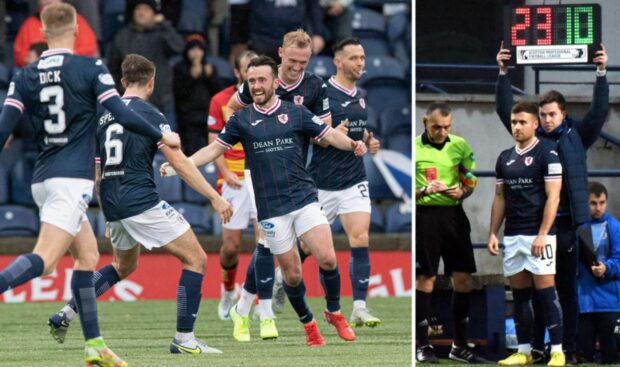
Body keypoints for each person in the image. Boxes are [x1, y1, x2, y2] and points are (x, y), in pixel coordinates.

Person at [0, 3, 179, 366]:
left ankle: (94, 344)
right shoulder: (91, 67)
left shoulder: (25, 74)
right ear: (79, 30)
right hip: (71, 180)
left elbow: (4, 129)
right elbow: (124, 114)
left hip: (42, 177)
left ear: (42, 32)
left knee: (88, 256)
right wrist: (164, 133)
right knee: (47, 261)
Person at [163, 55, 366, 346]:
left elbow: (327, 134)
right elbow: (212, 151)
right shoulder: (241, 120)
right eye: (252, 81)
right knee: (293, 276)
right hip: (271, 208)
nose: (257, 85)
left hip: (304, 198)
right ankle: (309, 325)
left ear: (274, 82)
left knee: (328, 257)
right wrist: (181, 165)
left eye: (262, 80)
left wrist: (352, 144)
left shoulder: (295, 112)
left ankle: (334, 312)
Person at [47, 53, 233, 354]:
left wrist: (108, 217)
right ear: (151, 81)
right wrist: (214, 196)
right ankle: (184, 340)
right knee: (196, 259)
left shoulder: (104, 117)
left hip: (113, 201)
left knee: (123, 266)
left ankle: (65, 314)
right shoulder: (151, 115)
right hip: (140, 201)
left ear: (122, 82)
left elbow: (99, 172)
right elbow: (181, 164)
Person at [496, 41, 610, 364]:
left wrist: (601, 73)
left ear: (562, 114)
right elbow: (507, 112)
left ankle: (568, 351)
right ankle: (534, 348)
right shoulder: (532, 140)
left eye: (551, 115)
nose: (545, 120)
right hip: (535, 227)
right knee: (534, 292)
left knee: (566, 292)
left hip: (568, 226)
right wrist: (502, 74)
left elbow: (599, 112)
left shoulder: (578, 136)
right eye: (542, 115)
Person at [225, 29, 332, 319]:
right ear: (281, 53)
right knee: (265, 238)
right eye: (293, 60)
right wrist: (245, 135)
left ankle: (248, 303)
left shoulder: (315, 87)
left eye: (304, 62)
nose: (297, 67)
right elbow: (232, 108)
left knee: (296, 243)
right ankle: (254, 308)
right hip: (259, 169)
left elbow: (324, 131)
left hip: (296, 171)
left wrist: (307, 134)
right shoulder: (262, 80)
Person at [304, 37, 380, 327]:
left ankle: (359, 306)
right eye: (354, 58)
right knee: (308, 248)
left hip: (353, 179)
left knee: (360, 237)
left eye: (362, 57)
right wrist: (330, 135)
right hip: (321, 182)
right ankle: (282, 280)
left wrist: (369, 142)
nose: (361, 63)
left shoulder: (361, 94)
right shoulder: (321, 94)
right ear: (338, 62)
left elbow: (359, 132)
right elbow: (309, 134)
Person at [488, 102, 565, 367]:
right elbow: (500, 197)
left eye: (523, 122)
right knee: (520, 295)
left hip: (538, 235)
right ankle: (524, 352)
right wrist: (492, 233)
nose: (517, 127)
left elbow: (554, 196)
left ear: (535, 124)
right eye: (514, 122)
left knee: (546, 293)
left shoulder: (548, 152)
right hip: (512, 235)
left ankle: (557, 350)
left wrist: (543, 234)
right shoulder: (504, 157)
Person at [415, 102, 486, 364]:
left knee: (464, 279)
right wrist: (424, 191)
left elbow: (470, 178)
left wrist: (463, 191)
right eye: (436, 127)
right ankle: (423, 346)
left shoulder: (460, 145)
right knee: (426, 279)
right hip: (426, 218)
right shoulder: (414, 147)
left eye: (446, 126)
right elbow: (406, 193)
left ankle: (459, 345)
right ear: (425, 122)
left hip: (455, 217)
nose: (442, 131)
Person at [207, 50, 263, 323]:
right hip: (233, 180)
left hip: (261, 177)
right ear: (237, 73)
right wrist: (226, 172)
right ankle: (228, 291)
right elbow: (213, 142)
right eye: (247, 70)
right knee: (230, 247)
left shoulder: (268, 100)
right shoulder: (220, 101)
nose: (252, 76)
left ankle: (253, 298)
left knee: (263, 243)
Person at [107, 0, 184, 117]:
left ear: (154, 14)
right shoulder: (122, 36)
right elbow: (113, 68)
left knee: (167, 135)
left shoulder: (162, 34)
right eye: (138, 9)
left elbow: (179, 47)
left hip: (161, 101)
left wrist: (164, 24)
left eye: (146, 9)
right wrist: (122, 91)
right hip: (131, 103)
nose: (141, 13)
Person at [575, 182, 620, 364]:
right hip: (584, 303)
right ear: (586, 204)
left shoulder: (615, 227)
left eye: (602, 203)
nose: (598, 208)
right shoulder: (577, 228)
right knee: (584, 358)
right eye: (593, 203)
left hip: (610, 304)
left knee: (613, 358)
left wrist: (607, 268)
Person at [173, 33, 220, 155]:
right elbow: (179, 93)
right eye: (192, 49)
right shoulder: (180, 68)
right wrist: (191, 77)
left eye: (199, 49)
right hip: (188, 118)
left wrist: (211, 77)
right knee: (191, 152)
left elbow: (218, 93)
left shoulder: (209, 68)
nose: (196, 53)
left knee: (213, 151)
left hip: (208, 116)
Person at [14, 0, 98, 68]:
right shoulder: (29, 24)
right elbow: (20, 56)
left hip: (73, 71)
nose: (47, 1)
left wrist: (67, 58)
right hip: (38, 75)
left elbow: (90, 51)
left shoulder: (75, 20)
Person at [247, 0, 325, 61]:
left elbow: (314, 7)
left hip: (296, 38)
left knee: (295, 73)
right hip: (262, 39)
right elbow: (243, 8)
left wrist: (318, 33)